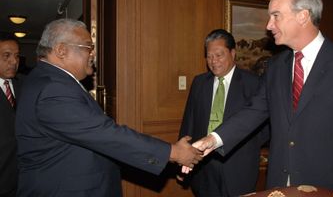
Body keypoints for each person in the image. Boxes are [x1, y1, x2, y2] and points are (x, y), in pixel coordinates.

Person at [187, 0, 333, 197]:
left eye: (276, 16)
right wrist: (214, 139)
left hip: (330, 188)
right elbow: (253, 112)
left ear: (303, 16)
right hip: (279, 187)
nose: (268, 25)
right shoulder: (275, 67)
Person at [15, 18, 202, 196]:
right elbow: (104, 133)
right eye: (88, 47)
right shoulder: (53, 89)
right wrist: (173, 152)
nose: (93, 54)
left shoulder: (47, 79)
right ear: (62, 50)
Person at [178, 29, 269, 196]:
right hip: (203, 167)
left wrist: (247, 149)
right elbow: (189, 123)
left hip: (238, 167)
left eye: (219, 55)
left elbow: (263, 129)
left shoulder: (253, 83)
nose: (213, 61)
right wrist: (182, 158)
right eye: (209, 56)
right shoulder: (199, 83)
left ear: (232, 53)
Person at [0, 34, 21, 197]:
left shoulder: (26, 85)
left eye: (16, 56)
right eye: (6, 56)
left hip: (23, 179)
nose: (13, 62)